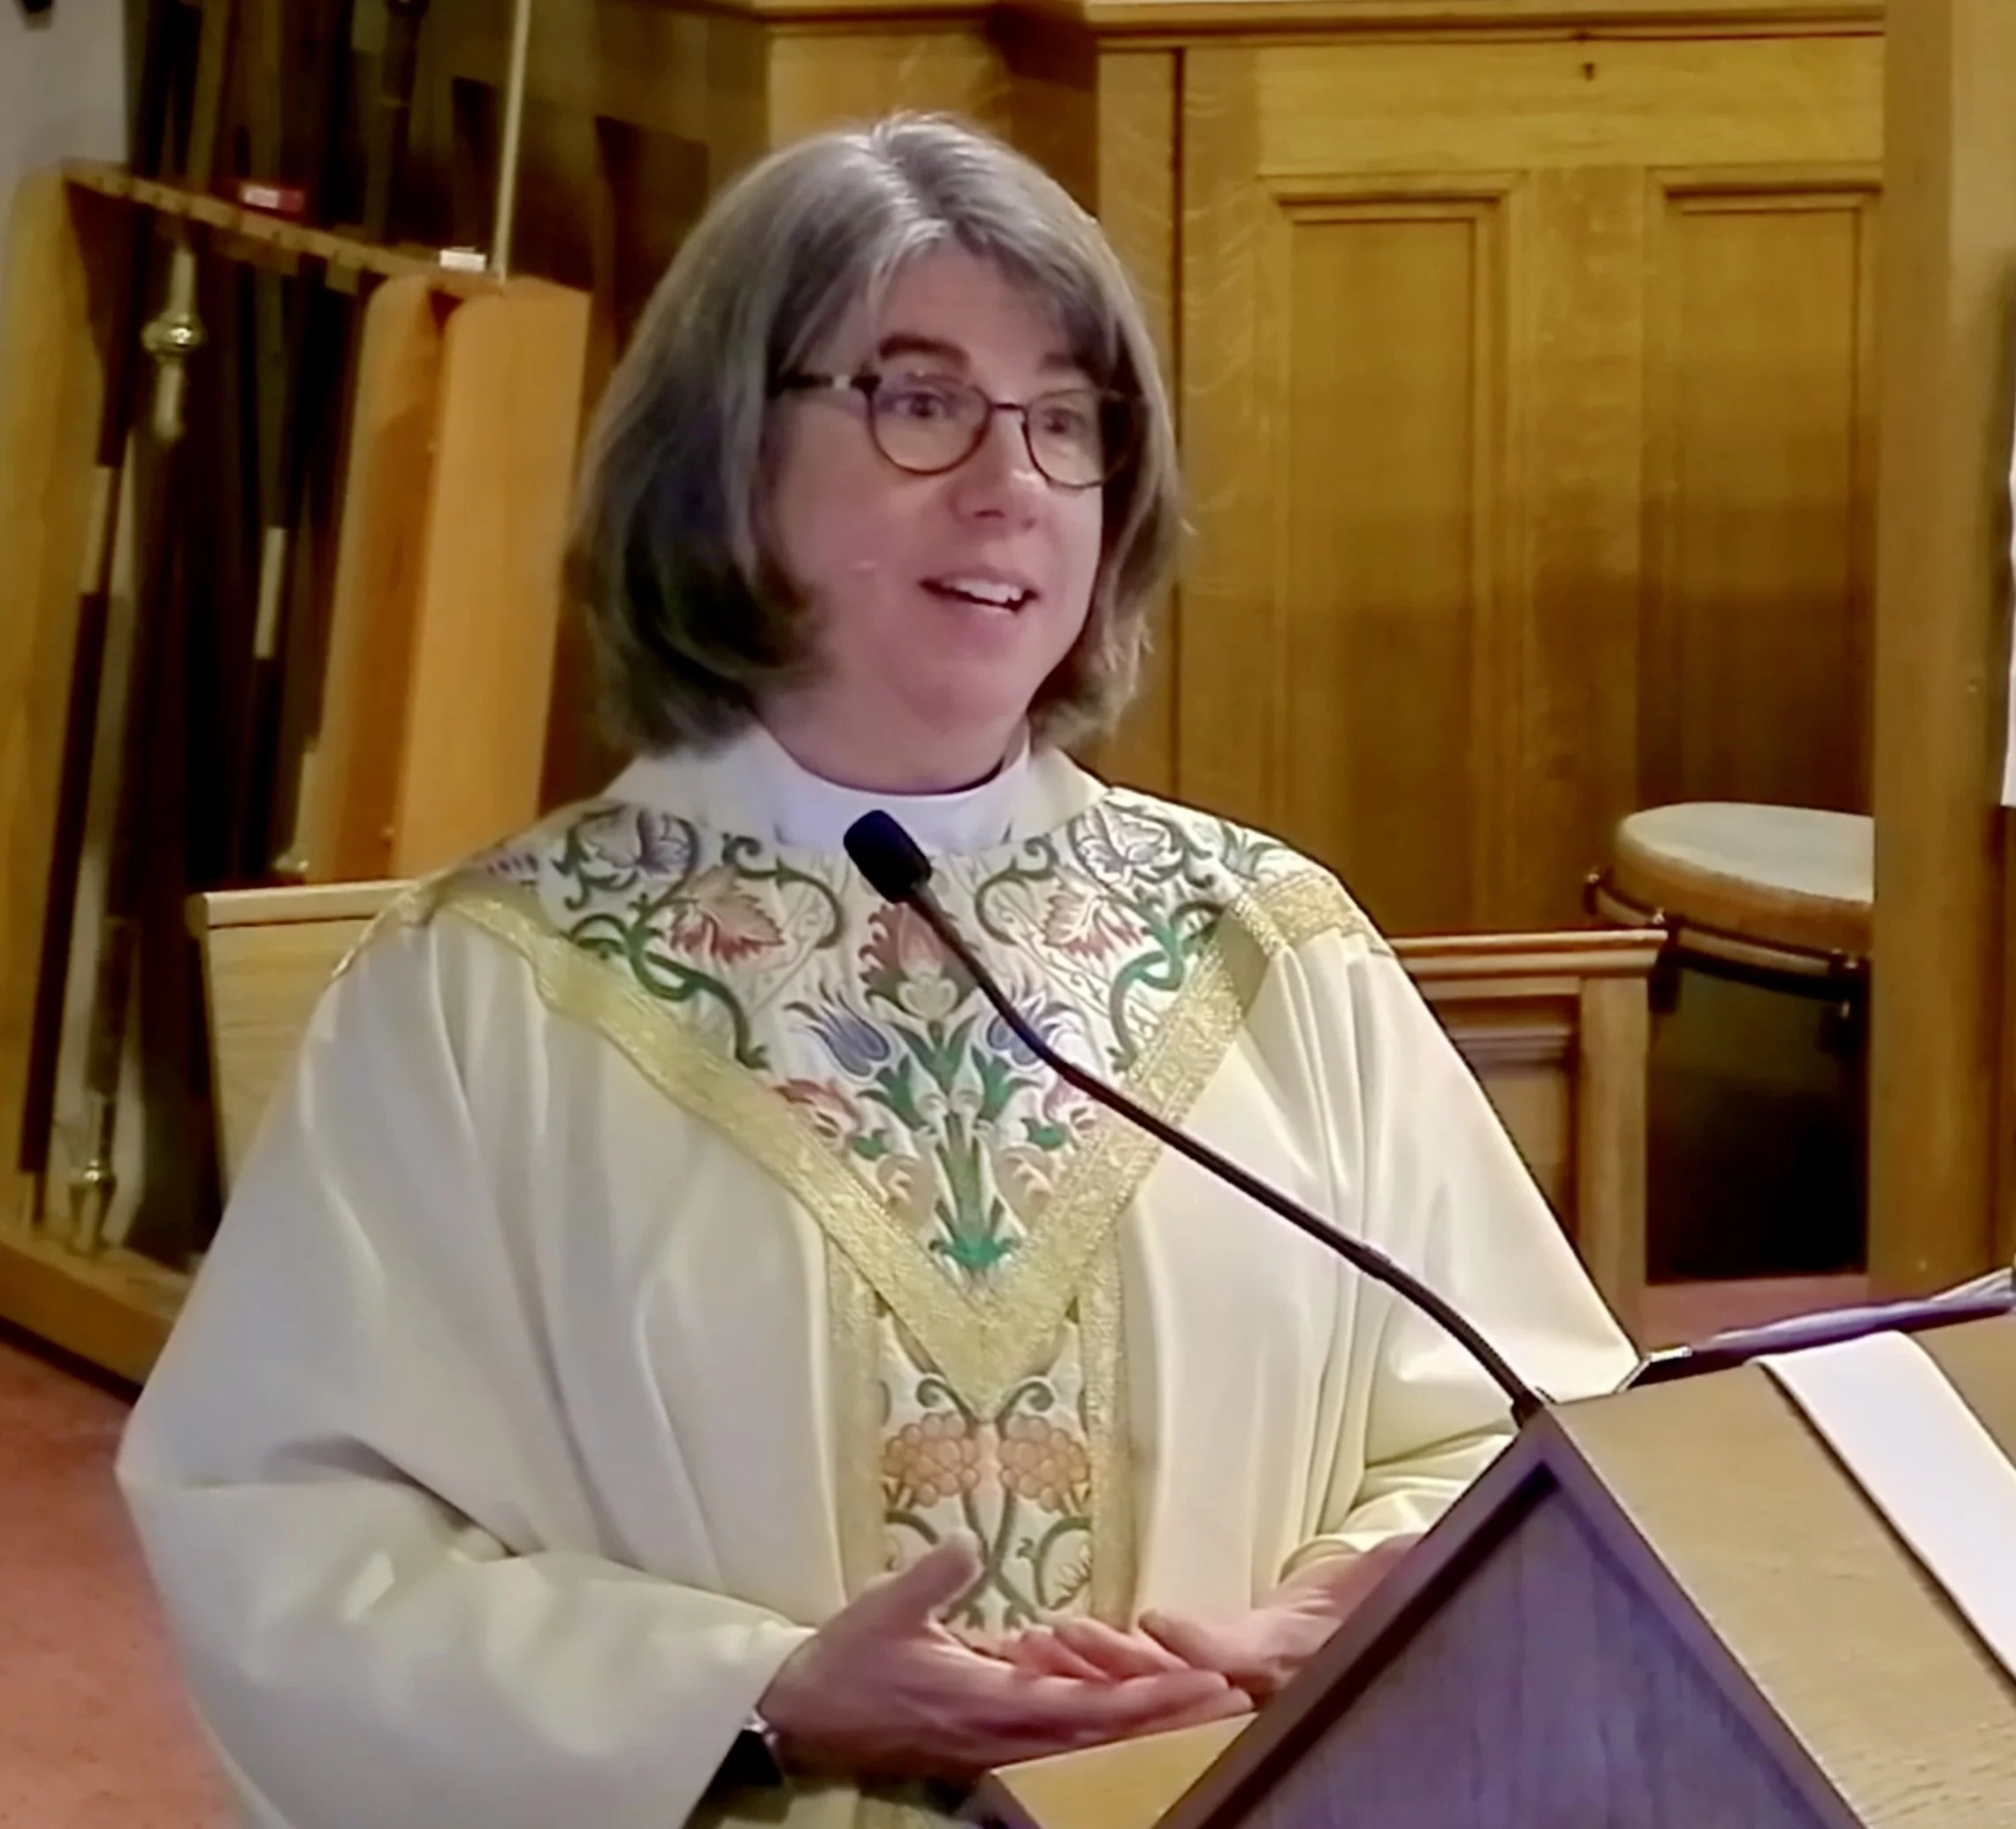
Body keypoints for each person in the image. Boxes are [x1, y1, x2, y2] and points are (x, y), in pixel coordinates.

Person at [116, 113, 1637, 1829]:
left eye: (1066, 420)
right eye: (921, 401)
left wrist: (1350, 1612)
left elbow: (1527, 1434)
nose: (1011, 484)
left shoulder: (1265, 943)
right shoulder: (482, 999)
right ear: (723, 452)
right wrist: (746, 1693)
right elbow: (297, 1541)